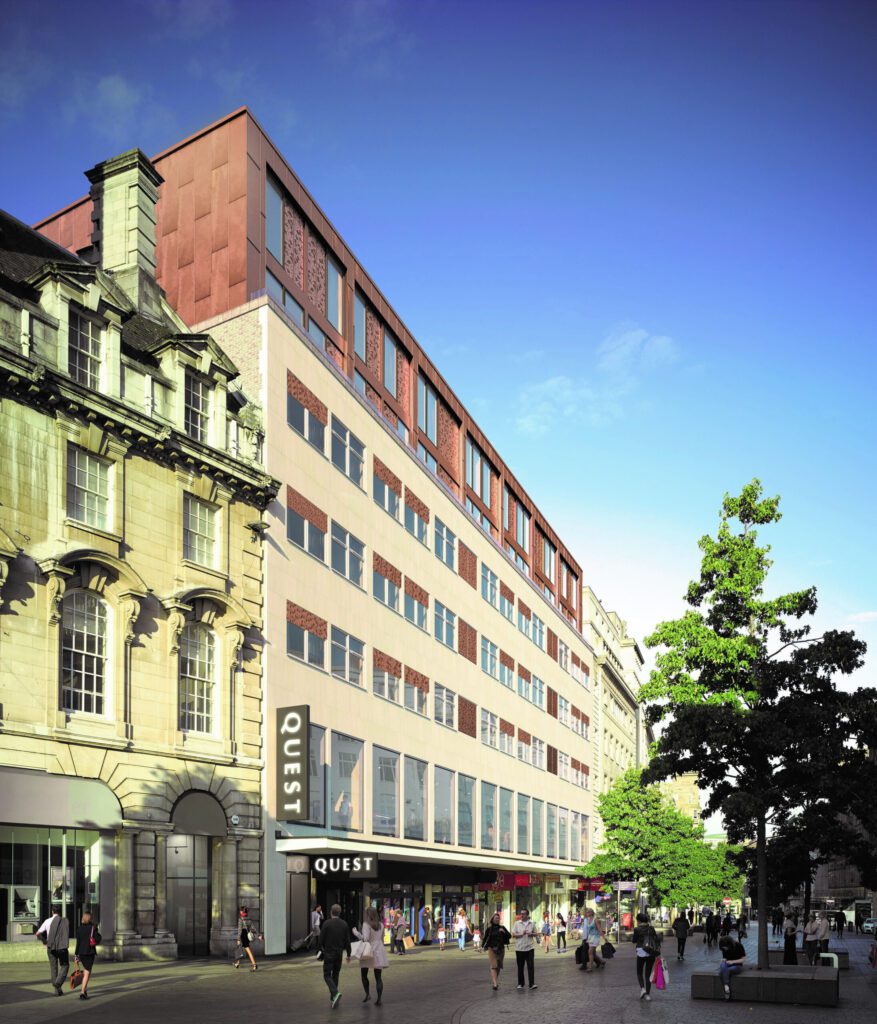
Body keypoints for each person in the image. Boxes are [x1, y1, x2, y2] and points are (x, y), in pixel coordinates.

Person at [353, 906, 388, 1005]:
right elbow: (382, 938)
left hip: (368, 950)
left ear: (367, 915)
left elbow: (365, 939)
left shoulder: (366, 924)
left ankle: (367, 994)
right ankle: (379, 999)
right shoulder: (381, 925)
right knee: (378, 977)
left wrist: (356, 932)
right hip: (379, 949)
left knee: (364, 974)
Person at [319, 904, 351, 1009]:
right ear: (340, 912)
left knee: (327, 975)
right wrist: (349, 954)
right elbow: (347, 941)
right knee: (336, 974)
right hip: (339, 954)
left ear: (331, 912)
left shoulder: (326, 924)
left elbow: (321, 940)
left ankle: (335, 992)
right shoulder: (344, 924)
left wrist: (321, 950)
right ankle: (333, 997)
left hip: (329, 953)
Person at [36, 905, 70, 995]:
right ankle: (57, 983)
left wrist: (45, 942)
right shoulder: (64, 921)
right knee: (65, 965)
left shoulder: (47, 921)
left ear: (52, 912)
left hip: (50, 947)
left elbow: (38, 933)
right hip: (61, 947)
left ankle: (57, 990)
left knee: (53, 968)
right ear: (60, 912)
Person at [72, 910, 101, 1000]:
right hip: (89, 952)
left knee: (86, 971)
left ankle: (84, 990)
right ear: (90, 919)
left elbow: (78, 942)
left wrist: (76, 955)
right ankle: (82, 992)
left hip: (81, 952)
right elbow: (98, 939)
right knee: (87, 972)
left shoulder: (79, 929)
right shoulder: (93, 928)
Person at [632, 912, 661, 1001]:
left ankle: (643, 989)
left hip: (641, 952)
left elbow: (634, 940)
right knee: (648, 973)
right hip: (651, 952)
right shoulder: (651, 928)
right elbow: (656, 939)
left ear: (639, 921)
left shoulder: (637, 929)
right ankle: (648, 995)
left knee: (639, 972)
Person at [483, 912, 511, 991]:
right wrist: (483, 947)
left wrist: (504, 932)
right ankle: (495, 984)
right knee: (493, 965)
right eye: (496, 918)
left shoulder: (502, 927)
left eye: (498, 918)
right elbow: (485, 938)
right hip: (491, 949)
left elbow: (509, 936)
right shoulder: (489, 929)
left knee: (498, 966)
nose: (497, 919)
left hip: (501, 949)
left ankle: (494, 980)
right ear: (492, 919)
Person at [512, 909, 538, 990]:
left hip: (530, 948)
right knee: (520, 967)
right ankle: (520, 983)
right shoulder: (517, 923)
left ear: (527, 915)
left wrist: (531, 934)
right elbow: (513, 934)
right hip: (519, 948)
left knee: (530, 966)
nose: (521, 915)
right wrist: (521, 934)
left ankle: (531, 984)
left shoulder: (532, 923)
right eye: (521, 914)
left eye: (523, 914)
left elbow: (536, 933)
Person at [718, 934, 746, 1000]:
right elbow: (725, 958)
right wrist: (723, 960)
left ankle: (726, 987)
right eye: (723, 948)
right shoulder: (724, 948)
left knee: (722, 972)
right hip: (727, 964)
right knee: (722, 965)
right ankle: (726, 987)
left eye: (725, 947)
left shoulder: (739, 946)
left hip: (737, 965)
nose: (725, 949)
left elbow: (743, 959)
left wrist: (733, 962)